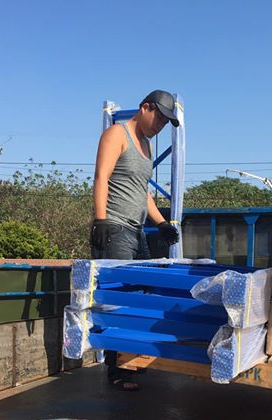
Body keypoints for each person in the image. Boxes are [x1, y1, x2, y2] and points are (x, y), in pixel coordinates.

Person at [90, 89, 181, 390]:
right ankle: (117, 369)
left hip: (136, 231)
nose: (160, 126)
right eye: (159, 119)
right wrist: (100, 219)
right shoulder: (117, 134)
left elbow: (143, 193)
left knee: (141, 295)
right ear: (145, 107)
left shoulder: (146, 145)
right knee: (119, 300)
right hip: (115, 228)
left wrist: (161, 223)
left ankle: (130, 358)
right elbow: (101, 176)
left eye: (166, 123)